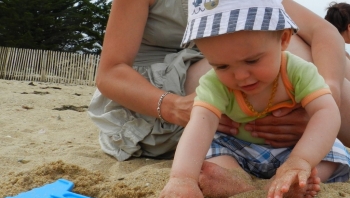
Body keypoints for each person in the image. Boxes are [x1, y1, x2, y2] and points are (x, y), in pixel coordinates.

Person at [88, 0, 350, 162]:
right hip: (158, 93)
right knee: (288, 51)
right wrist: (174, 107)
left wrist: (327, 97)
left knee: (335, 66)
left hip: (224, 67)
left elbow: (323, 32)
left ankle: (319, 130)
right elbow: (111, 72)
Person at [158, 1, 350, 198]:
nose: (240, 76)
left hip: (295, 146)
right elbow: (200, 125)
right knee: (209, 148)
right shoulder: (214, 83)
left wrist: (300, 160)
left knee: (331, 150)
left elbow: (325, 112)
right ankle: (238, 180)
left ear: (283, 39)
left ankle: (290, 178)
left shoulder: (297, 71)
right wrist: (182, 178)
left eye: (252, 60)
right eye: (222, 66)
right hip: (239, 148)